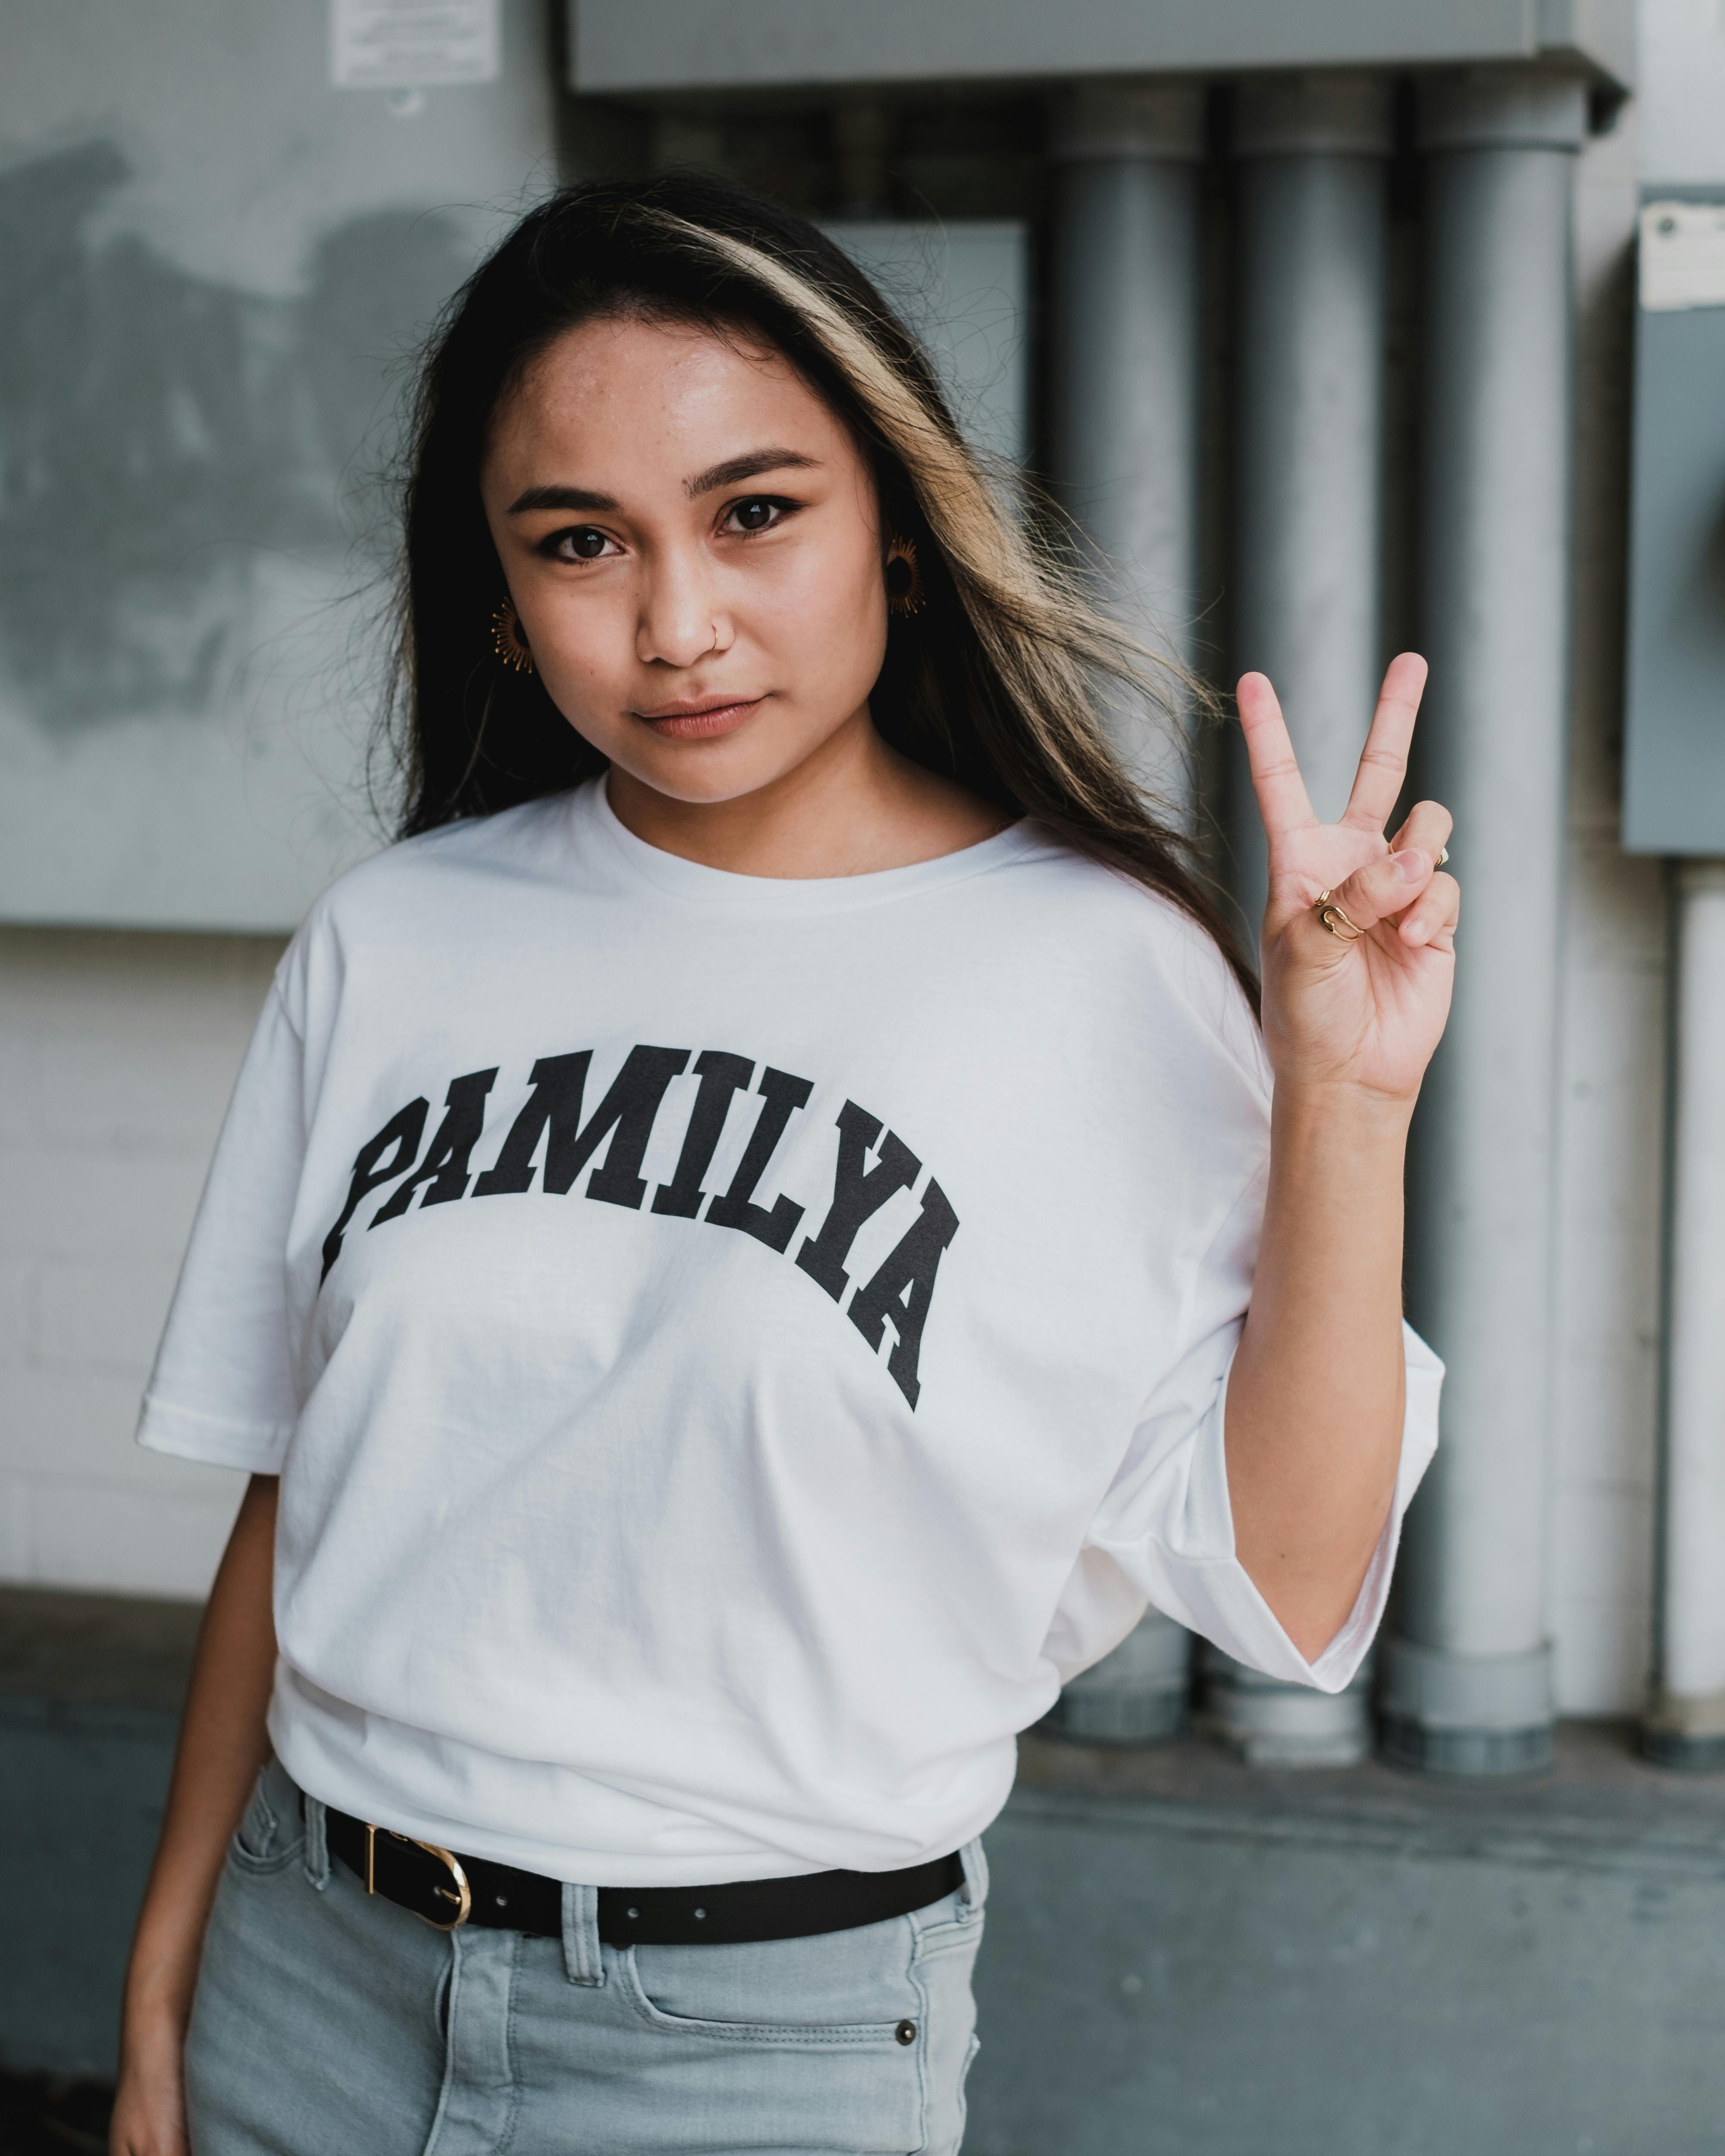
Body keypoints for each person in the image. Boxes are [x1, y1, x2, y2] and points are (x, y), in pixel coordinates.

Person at [110, 174, 1451, 2156]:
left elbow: (1295, 1565)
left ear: (894, 531)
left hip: (755, 2042)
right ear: (497, 593)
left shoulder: (1096, 970)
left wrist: (1347, 1103)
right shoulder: (396, 938)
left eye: (754, 512)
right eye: (582, 543)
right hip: (305, 1975)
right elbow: (291, 1509)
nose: (677, 623)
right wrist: (159, 1991)